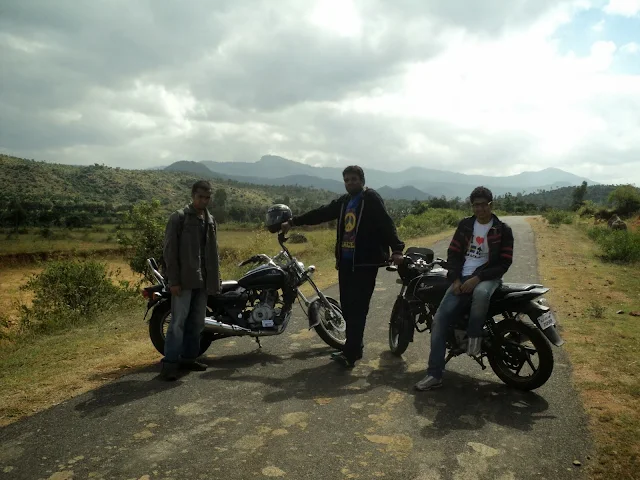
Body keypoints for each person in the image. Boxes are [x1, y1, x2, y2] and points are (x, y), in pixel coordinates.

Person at [281, 165, 405, 368]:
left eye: (354, 179)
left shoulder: (370, 198)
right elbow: (321, 213)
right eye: (347, 180)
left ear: (362, 180)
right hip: (346, 263)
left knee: (358, 308)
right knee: (347, 309)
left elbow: (386, 222)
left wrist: (397, 249)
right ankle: (354, 347)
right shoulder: (345, 201)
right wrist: (294, 222)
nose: (350, 183)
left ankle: (351, 352)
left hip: (364, 263)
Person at [415, 186, 514, 391]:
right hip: (461, 278)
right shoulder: (465, 225)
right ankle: (434, 374)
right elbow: (453, 253)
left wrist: (478, 278)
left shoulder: (502, 230)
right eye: (476, 205)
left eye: (483, 205)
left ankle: (474, 337)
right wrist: (455, 280)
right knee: (439, 321)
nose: (480, 209)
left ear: (491, 205)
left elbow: (504, 262)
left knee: (481, 293)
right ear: (472, 206)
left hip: (488, 277)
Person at [161, 180, 221, 381]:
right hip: (184, 280)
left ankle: (188, 359)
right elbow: (170, 251)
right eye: (200, 197)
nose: (204, 200)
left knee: (197, 323)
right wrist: (173, 281)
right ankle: (170, 364)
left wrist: (215, 280)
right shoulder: (179, 218)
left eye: (207, 197)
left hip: (203, 281)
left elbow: (213, 252)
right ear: (193, 195)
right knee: (177, 323)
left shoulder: (210, 220)